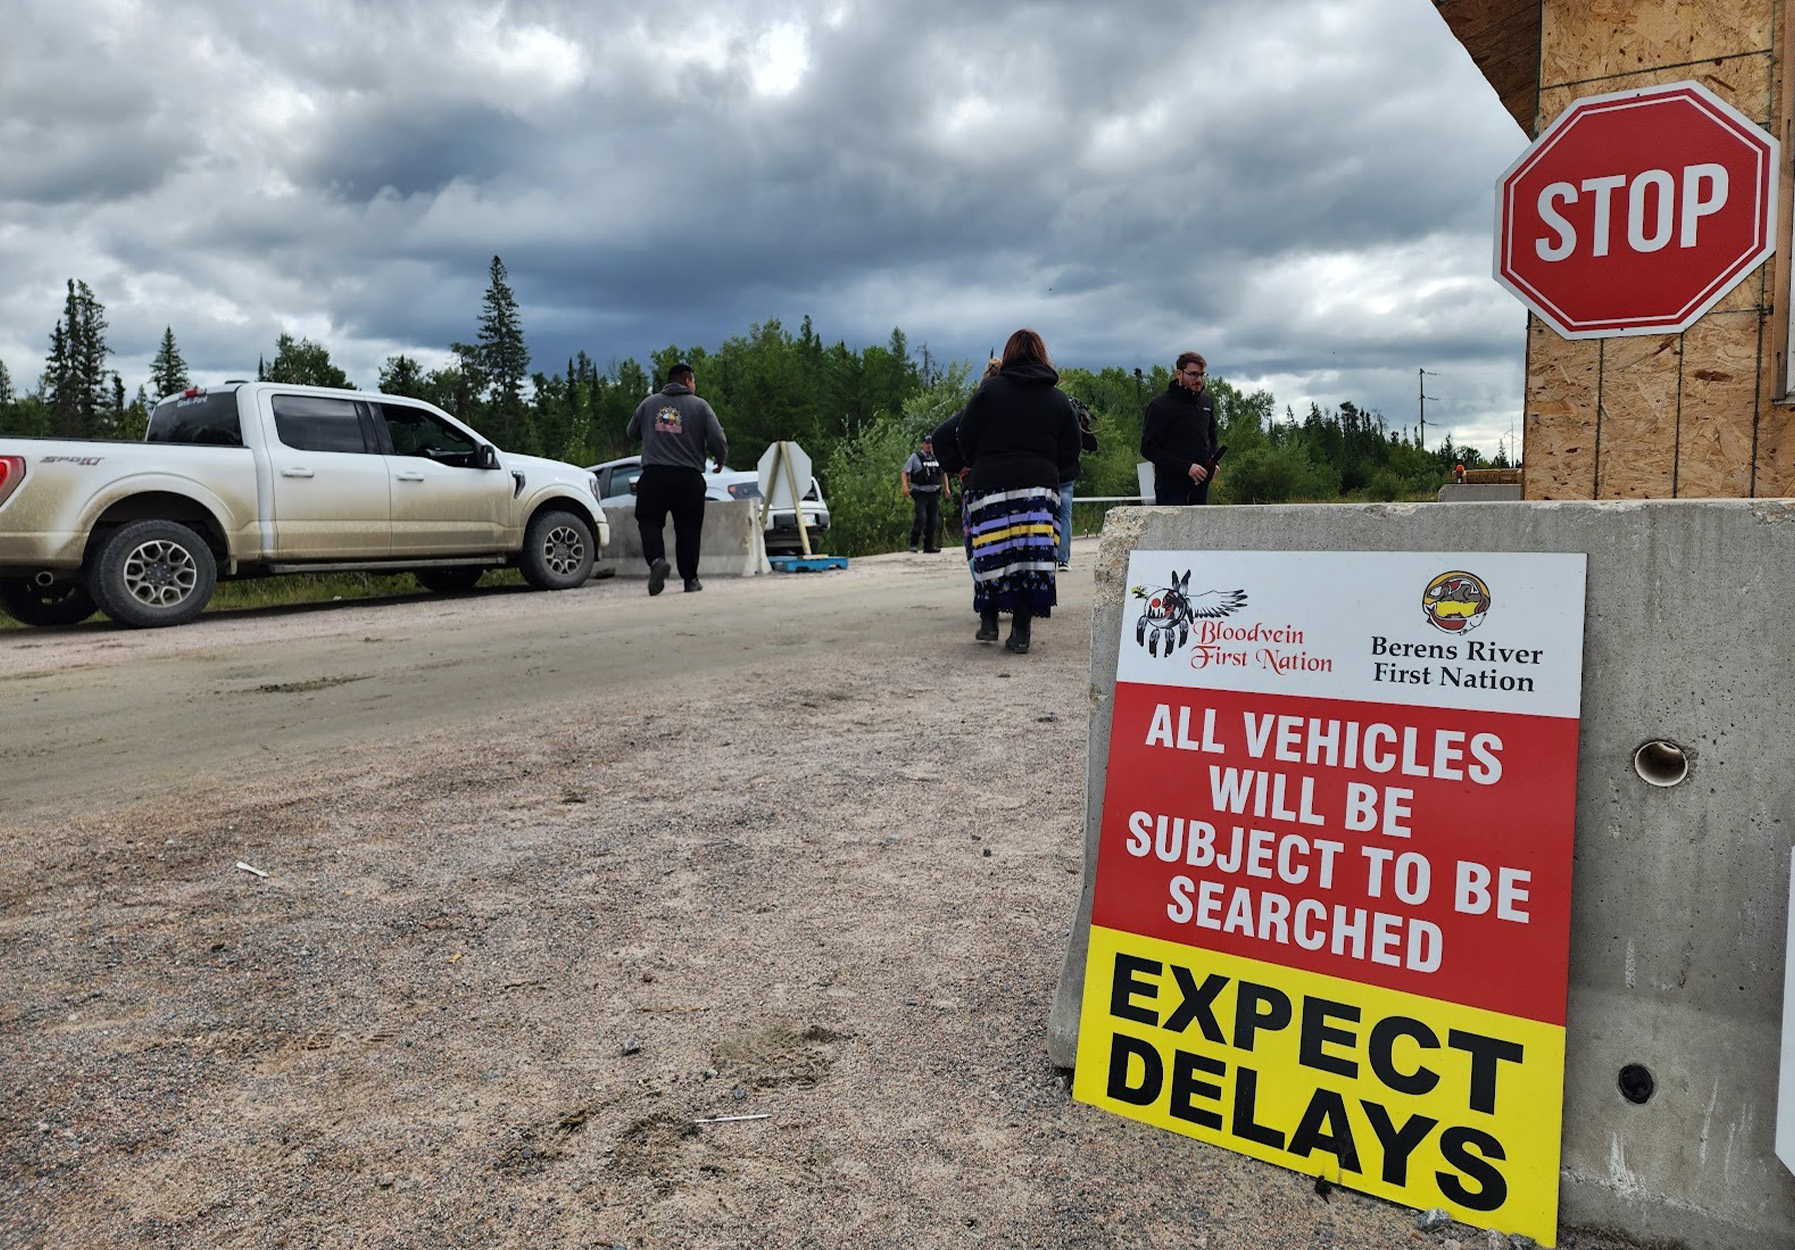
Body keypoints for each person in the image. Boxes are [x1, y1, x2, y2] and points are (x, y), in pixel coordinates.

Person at [956, 329, 1080, 655]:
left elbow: (964, 434)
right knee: (1031, 560)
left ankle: (988, 620)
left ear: (1009, 354)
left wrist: (977, 461)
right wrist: (1052, 470)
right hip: (1039, 487)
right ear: (1042, 354)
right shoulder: (1057, 399)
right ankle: (1021, 631)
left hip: (989, 484)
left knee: (992, 554)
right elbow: (1072, 449)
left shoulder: (989, 392)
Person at [626, 361, 727, 595]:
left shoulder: (648, 404)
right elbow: (717, 438)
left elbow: (631, 432)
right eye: (694, 381)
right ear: (687, 380)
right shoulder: (700, 406)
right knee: (688, 529)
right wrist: (720, 459)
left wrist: (654, 433)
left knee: (649, 521)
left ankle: (656, 562)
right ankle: (690, 579)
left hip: (654, 476)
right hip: (688, 478)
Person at [1140, 351, 1220, 505]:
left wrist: (1214, 461)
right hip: (1171, 489)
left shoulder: (1206, 402)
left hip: (1201, 487)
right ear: (1179, 374)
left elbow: (1211, 436)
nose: (1199, 380)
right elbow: (1147, 448)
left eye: (1202, 375)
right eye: (1193, 374)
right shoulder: (1161, 406)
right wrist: (1186, 467)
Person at [1055, 398, 1099, 569]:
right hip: (1067, 476)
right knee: (1065, 516)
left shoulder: (1049, 421)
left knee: (1047, 515)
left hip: (1048, 474)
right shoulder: (1073, 426)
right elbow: (1092, 445)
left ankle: (1047, 554)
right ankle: (1063, 558)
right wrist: (1083, 426)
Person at [901, 435, 945, 553]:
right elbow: (905, 472)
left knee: (933, 520)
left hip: (934, 492)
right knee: (921, 517)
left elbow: (943, 473)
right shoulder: (916, 457)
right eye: (926, 443)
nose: (929, 445)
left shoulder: (936, 457)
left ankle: (928, 546)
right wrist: (905, 487)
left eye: (930, 443)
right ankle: (913, 543)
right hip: (920, 492)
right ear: (922, 444)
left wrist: (947, 488)